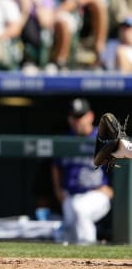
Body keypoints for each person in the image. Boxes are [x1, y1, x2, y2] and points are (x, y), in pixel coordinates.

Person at [51, 98, 113, 244]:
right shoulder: (65, 141)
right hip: (71, 195)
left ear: (90, 116)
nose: (77, 121)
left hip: (96, 194)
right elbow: (55, 166)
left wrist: (112, 188)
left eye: (80, 116)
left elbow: (122, 163)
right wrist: (58, 190)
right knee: (70, 233)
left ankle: (89, 250)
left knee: (81, 210)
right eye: (74, 117)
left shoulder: (103, 139)